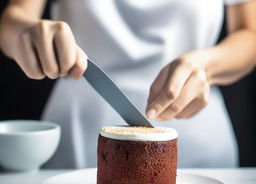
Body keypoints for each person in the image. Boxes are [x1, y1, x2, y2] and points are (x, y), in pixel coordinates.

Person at [0, 0, 256, 169]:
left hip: (198, 142)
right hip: (78, 142)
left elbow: (249, 35)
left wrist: (206, 66)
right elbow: (14, 18)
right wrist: (25, 33)